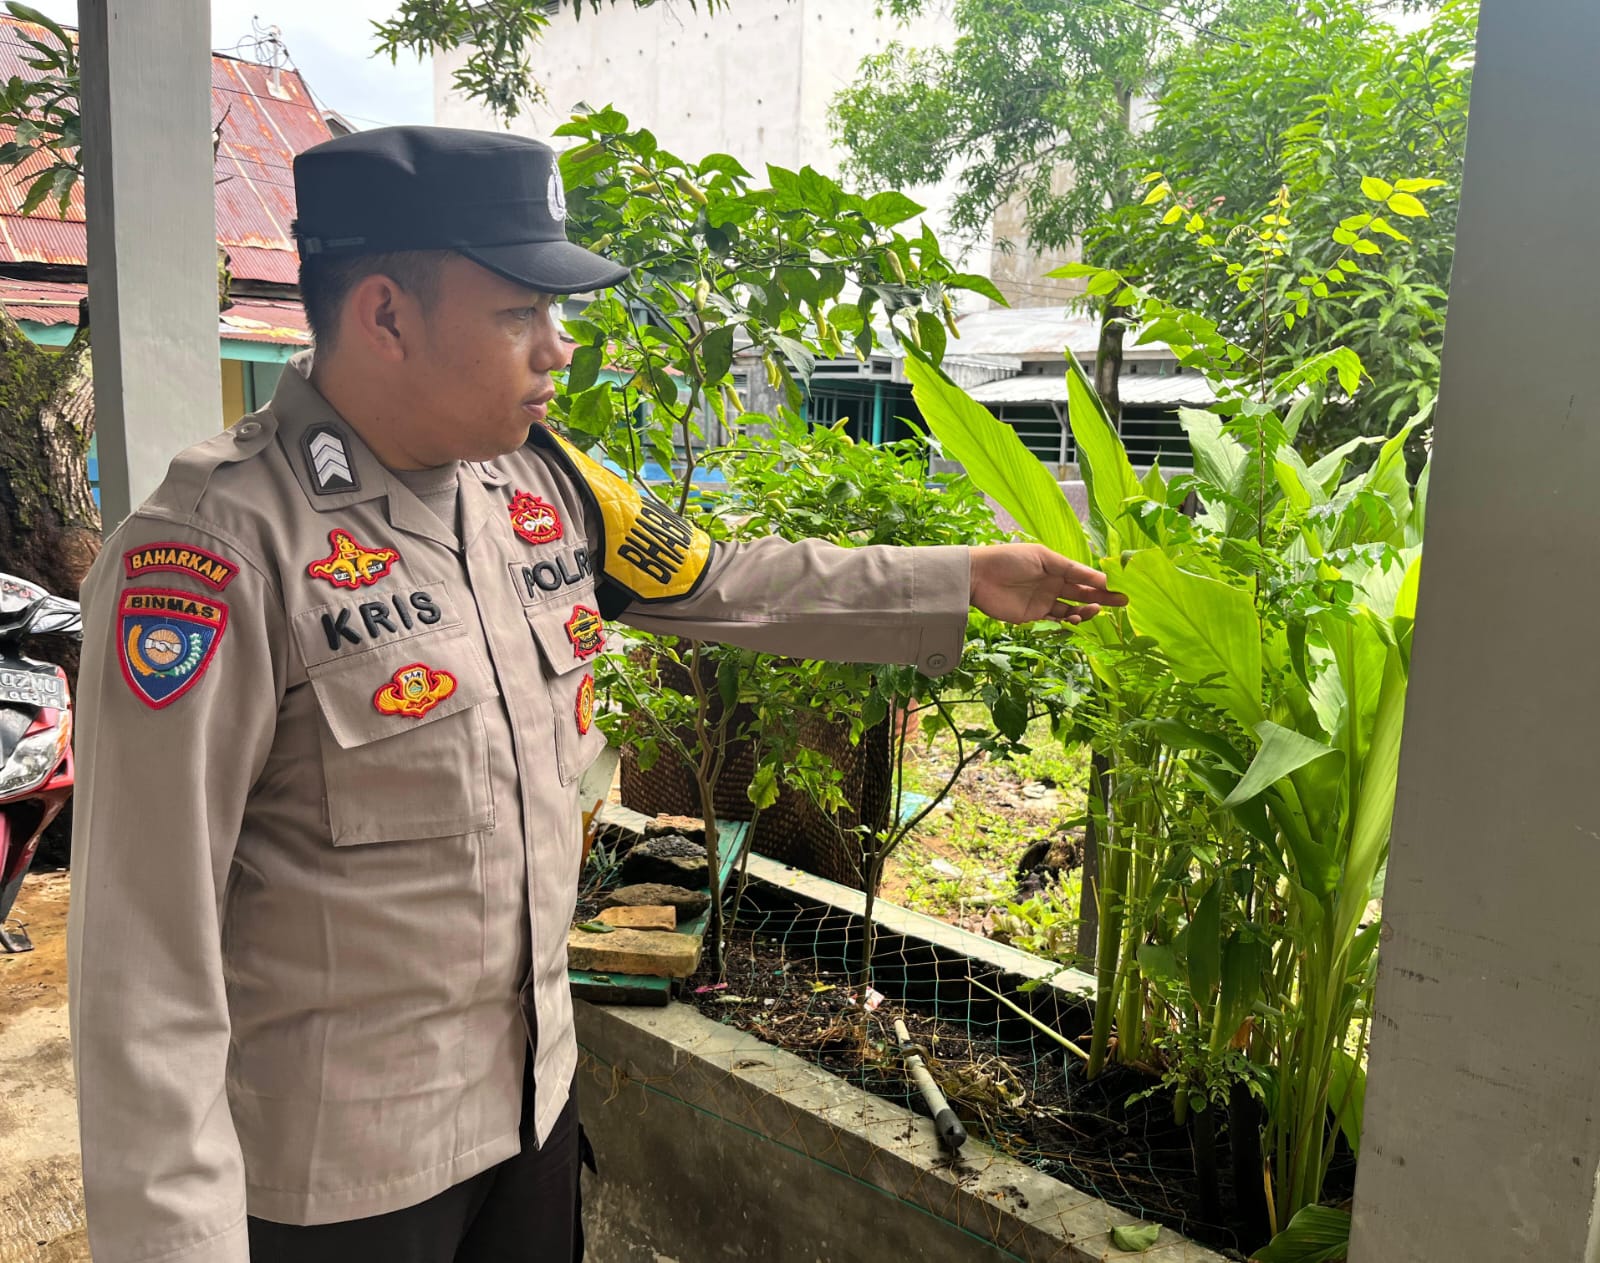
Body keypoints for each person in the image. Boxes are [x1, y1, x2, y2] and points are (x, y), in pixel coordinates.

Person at [67, 126, 1124, 1263]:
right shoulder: (214, 555)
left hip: (528, 1115)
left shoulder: (543, 483)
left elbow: (717, 576)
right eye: (521, 313)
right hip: (338, 1179)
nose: (558, 349)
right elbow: (144, 959)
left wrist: (959, 578)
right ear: (385, 315)